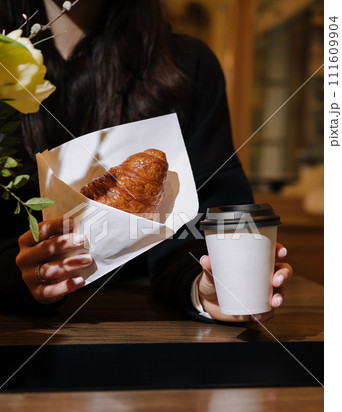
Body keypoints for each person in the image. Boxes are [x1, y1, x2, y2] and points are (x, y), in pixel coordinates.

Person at [0, 0, 292, 322]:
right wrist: (17, 276)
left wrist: (206, 286)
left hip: (156, 328)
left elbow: (209, 221)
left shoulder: (187, 66)